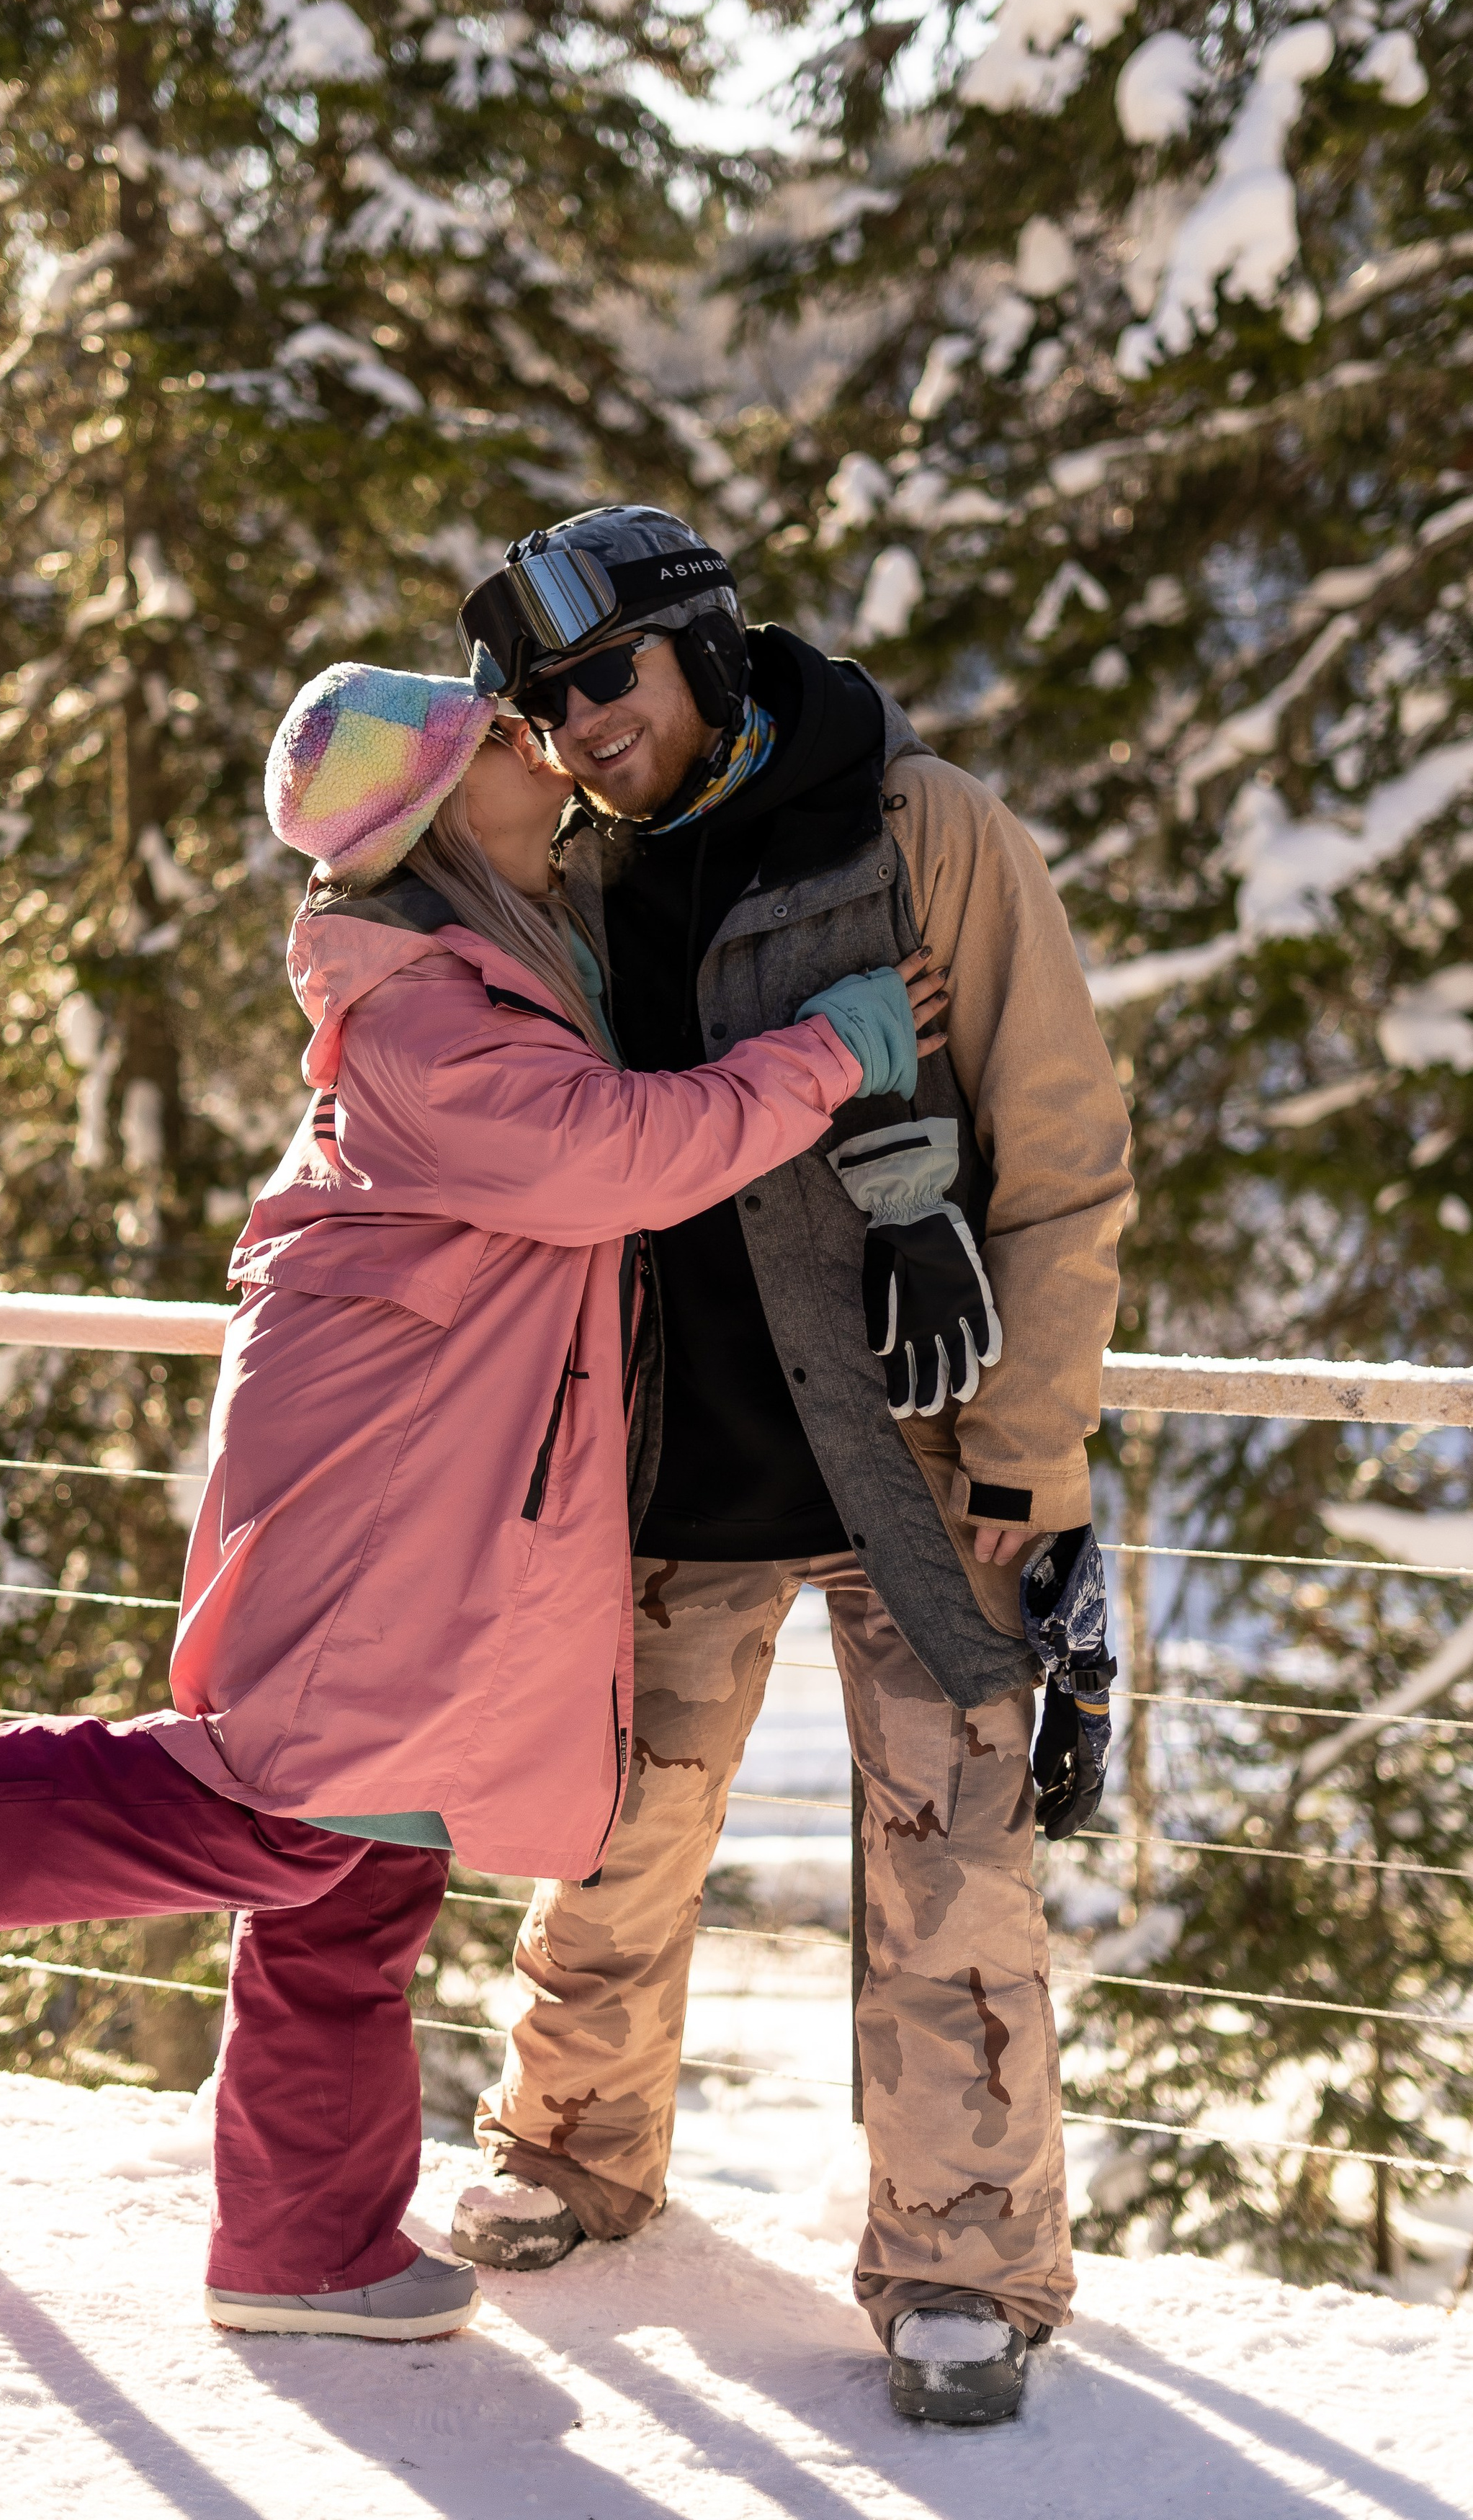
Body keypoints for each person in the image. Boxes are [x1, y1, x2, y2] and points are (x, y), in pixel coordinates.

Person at [0, 653, 944, 2346]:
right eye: (495, 738)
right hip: (378, 1481)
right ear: (438, 814)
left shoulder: (492, 956)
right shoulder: (430, 1008)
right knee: (287, 1816)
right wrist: (824, 1053)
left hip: (429, 1468)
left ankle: (303, 2241)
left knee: (366, 1860)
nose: (536, 743)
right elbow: (618, 1157)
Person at [449, 505, 1134, 2427]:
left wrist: (1031, 1454)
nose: (576, 724)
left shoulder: (918, 829)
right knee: (611, 1824)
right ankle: (573, 2145)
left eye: (603, 675)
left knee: (951, 1867)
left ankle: (964, 2266)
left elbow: (1064, 1150)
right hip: (675, 1444)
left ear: (701, 644)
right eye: (541, 703)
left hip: (915, 1449)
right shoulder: (576, 869)